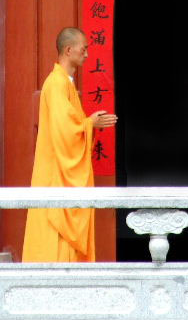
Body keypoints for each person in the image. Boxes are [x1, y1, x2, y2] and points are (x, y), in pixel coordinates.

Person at [22, 27, 117, 262]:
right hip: (56, 173)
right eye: (83, 49)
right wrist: (88, 124)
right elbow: (64, 131)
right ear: (68, 49)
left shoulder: (65, 83)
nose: (86, 54)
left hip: (59, 169)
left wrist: (89, 125)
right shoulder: (56, 84)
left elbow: (71, 126)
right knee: (56, 231)